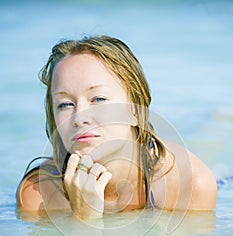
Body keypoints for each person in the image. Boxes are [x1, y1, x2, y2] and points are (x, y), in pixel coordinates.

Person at [16, 35, 217, 221]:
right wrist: (84, 218)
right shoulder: (39, 195)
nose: (79, 118)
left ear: (136, 112)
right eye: (65, 104)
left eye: (99, 99)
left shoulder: (191, 186)